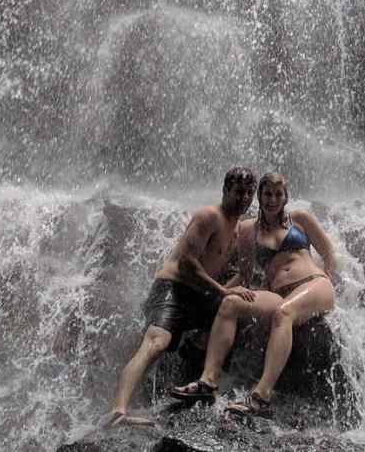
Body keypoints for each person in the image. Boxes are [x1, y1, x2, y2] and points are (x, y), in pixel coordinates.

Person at [170, 170, 337, 417]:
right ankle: (208, 381)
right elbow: (245, 276)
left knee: (284, 313)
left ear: (286, 197)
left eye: (278, 194)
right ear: (259, 196)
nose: (272, 199)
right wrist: (219, 291)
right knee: (231, 303)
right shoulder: (248, 230)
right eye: (267, 194)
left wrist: (325, 290)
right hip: (279, 294)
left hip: (313, 284)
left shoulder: (300, 218)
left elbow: (329, 256)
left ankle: (261, 395)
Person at [105, 166, 258, 428]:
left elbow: (243, 276)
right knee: (157, 342)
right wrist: (221, 290)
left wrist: (230, 290)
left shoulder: (240, 230)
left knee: (236, 316)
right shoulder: (209, 216)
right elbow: (186, 264)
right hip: (172, 288)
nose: (244, 198)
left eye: (248, 193)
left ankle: (196, 353)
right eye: (238, 192)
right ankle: (118, 411)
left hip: (201, 294)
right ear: (225, 190)